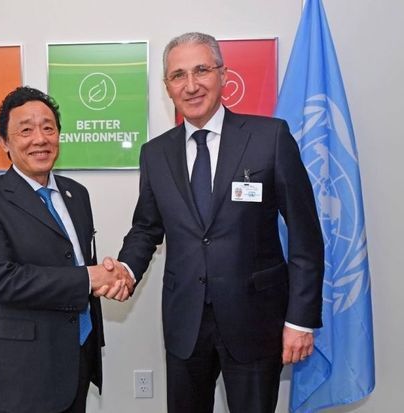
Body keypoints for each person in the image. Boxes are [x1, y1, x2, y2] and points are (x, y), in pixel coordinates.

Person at [118, 32, 324, 413]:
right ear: (167, 86)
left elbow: (305, 234)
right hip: (185, 322)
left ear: (223, 75)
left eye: (201, 70)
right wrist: (126, 270)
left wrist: (301, 320)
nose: (191, 85)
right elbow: (146, 227)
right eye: (178, 75)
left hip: (255, 320)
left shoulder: (269, 138)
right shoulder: (155, 154)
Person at [0, 86, 133, 413]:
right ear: (4, 142)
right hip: (24, 373)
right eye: (25, 130)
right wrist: (90, 278)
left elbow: (78, 264)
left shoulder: (76, 194)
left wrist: (110, 281)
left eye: (48, 128)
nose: (40, 139)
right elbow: (4, 281)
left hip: (78, 359)